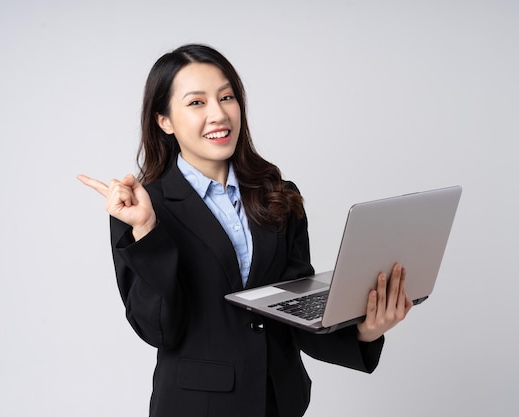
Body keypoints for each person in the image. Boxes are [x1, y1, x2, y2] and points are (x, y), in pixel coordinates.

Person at [78, 43, 412, 417]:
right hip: (196, 406)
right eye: (196, 103)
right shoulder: (140, 208)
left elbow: (292, 310)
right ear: (164, 121)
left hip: (279, 401)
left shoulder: (279, 194)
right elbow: (158, 330)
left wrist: (365, 330)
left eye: (227, 97)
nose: (219, 114)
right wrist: (146, 231)